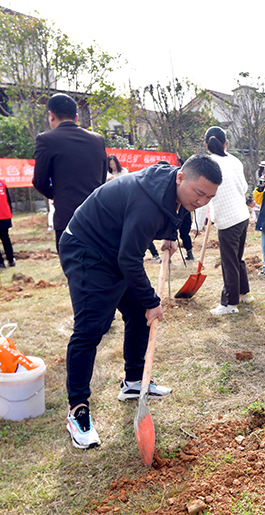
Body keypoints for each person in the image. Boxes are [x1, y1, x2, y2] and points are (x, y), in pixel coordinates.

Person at [60, 154, 222, 449]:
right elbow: (129, 259)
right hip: (87, 248)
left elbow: (174, 211)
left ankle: (134, 381)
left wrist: (171, 234)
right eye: (199, 193)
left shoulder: (174, 190)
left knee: (135, 312)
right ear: (180, 177)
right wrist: (152, 300)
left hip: (115, 247)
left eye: (208, 197)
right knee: (90, 329)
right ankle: (77, 411)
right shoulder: (147, 203)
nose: (200, 202)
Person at [33, 93, 107, 252]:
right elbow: (101, 180)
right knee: (100, 270)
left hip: (68, 220)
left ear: (51, 115)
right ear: (76, 117)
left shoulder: (45, 140)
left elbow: (39, 181)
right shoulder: (97, 139)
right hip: (97, 218)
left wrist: (57, 194)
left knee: (75, 271)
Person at [205, 126, 252, 315]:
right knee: (236, 258)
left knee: (229, 262)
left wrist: (197, 224)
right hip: (242, 216)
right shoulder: (234, 160)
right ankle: (244, 293)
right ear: (226, 143)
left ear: (206, 144)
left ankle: (229, 304)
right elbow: (244, 187)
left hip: (227, 220)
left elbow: (202, 197)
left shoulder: (207, 163)